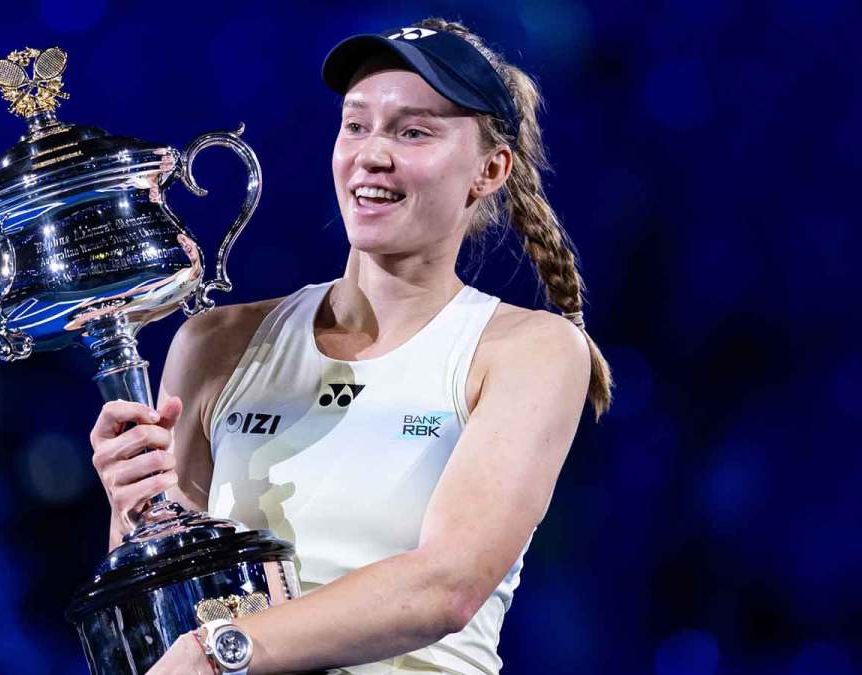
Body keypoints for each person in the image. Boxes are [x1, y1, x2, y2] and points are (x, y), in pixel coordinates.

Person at [88, 17, 613, 675]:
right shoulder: (215, 343)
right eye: (356, 125)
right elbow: (167, 602)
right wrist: (131, 511)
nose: (372, 152)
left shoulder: (529, 350)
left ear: (489, 169)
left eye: (413, 131)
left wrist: (221, 650)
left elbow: (444, 586)